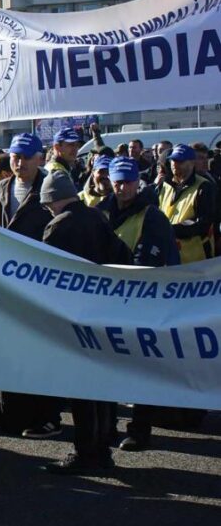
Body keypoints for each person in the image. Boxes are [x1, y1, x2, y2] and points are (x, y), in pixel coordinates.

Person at [37, 171, 129, 474]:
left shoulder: (58, 226)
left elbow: (47, 273)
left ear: (53, 201)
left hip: (74, 316)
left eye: (48, 205)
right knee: (102, 385)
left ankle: (86, 451)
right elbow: (122, 256)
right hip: (104, 311)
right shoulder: (99, 217)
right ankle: (102, 447)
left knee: (80, 387)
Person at [98, 157, 181, 452]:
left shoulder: (152, 216)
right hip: (107, 300)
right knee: (105, 366)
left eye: (128, 181)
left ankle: (139, 429)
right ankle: (106, 427)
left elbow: (154, 261)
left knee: (140, 367)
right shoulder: (100, 211)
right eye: (118, 181)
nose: (122, 187)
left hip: (142, 301)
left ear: (137, 182)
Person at [0, 133, 64, 439]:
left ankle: (48, 415)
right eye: (15, 157)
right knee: (7, 349)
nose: (19, 162)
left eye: (26, 157)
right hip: (5, 282)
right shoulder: (0, 189)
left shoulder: (50, 187)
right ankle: (7, 411)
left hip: (39, 282)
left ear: (39, 158)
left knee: (41, 350)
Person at [158, 144, 216, 265]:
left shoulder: (204, 187)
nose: (175, 164)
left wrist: (172, 230)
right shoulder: (165, 185)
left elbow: (203, 223)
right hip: (168, 255)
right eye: (173, 160)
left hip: (195, 258)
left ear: (192, 163)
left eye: (180, 161)